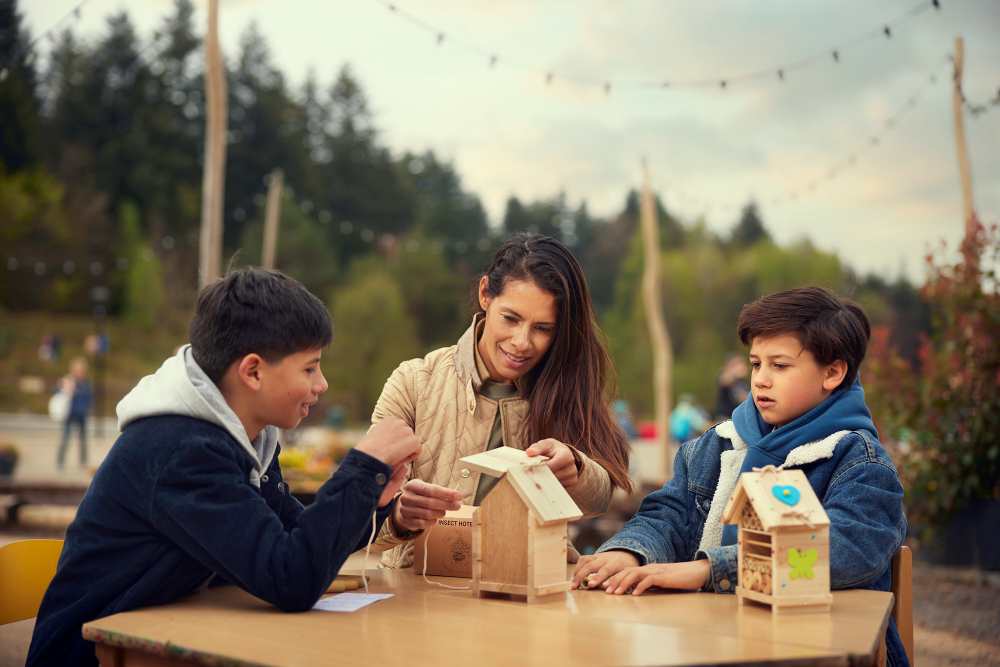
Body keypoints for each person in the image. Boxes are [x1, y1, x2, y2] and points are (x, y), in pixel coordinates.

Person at [27, 268, 421, 666]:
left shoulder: (248, 440)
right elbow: (291, 578)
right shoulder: (183, 450)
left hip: (168, 639)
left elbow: (293, 537)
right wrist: (363, 466)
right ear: (252, 371)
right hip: (93, 655)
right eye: (309, 368)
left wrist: (376, 500)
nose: (322, 384)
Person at [572, 286, 909, 667]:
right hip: (714, 641)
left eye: (779, 366)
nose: (761, 380)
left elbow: (847, 550)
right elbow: (668, 515)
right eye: (756, 364)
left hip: (815, 651)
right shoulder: (716, 445)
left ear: (832, 372)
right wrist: (630, 551)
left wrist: (711, 570)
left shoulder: (859, 462)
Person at [371, 233, 633, 566]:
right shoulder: (412, 382)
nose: (522, 342)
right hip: (418, 594)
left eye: (542, 328)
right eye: (511, 319)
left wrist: (575, 467)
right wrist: (398, 517)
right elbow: (358, 515)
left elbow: (600, 498)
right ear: (485, 295)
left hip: (530, 593)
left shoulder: (566, 385)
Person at [56, 356, 93, 469]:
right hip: (69, 415)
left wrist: (88, 408)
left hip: (82, 415)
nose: (80, 373)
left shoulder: (86, 383)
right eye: (77, 370)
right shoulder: (68, 381)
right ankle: (60, 461)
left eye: (81, 371)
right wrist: (64, 387)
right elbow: (58, 394)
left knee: (83, 440)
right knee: (65, 438)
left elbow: (89, 397)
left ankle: (83, 462)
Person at [714, 353, 749, 421]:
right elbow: (724, 380)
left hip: (736, 418)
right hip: (724, 418)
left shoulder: (742, 382)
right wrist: (734, 373)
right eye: (740, 365)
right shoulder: (724, 375)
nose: (744, 367)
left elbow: (743, 398)